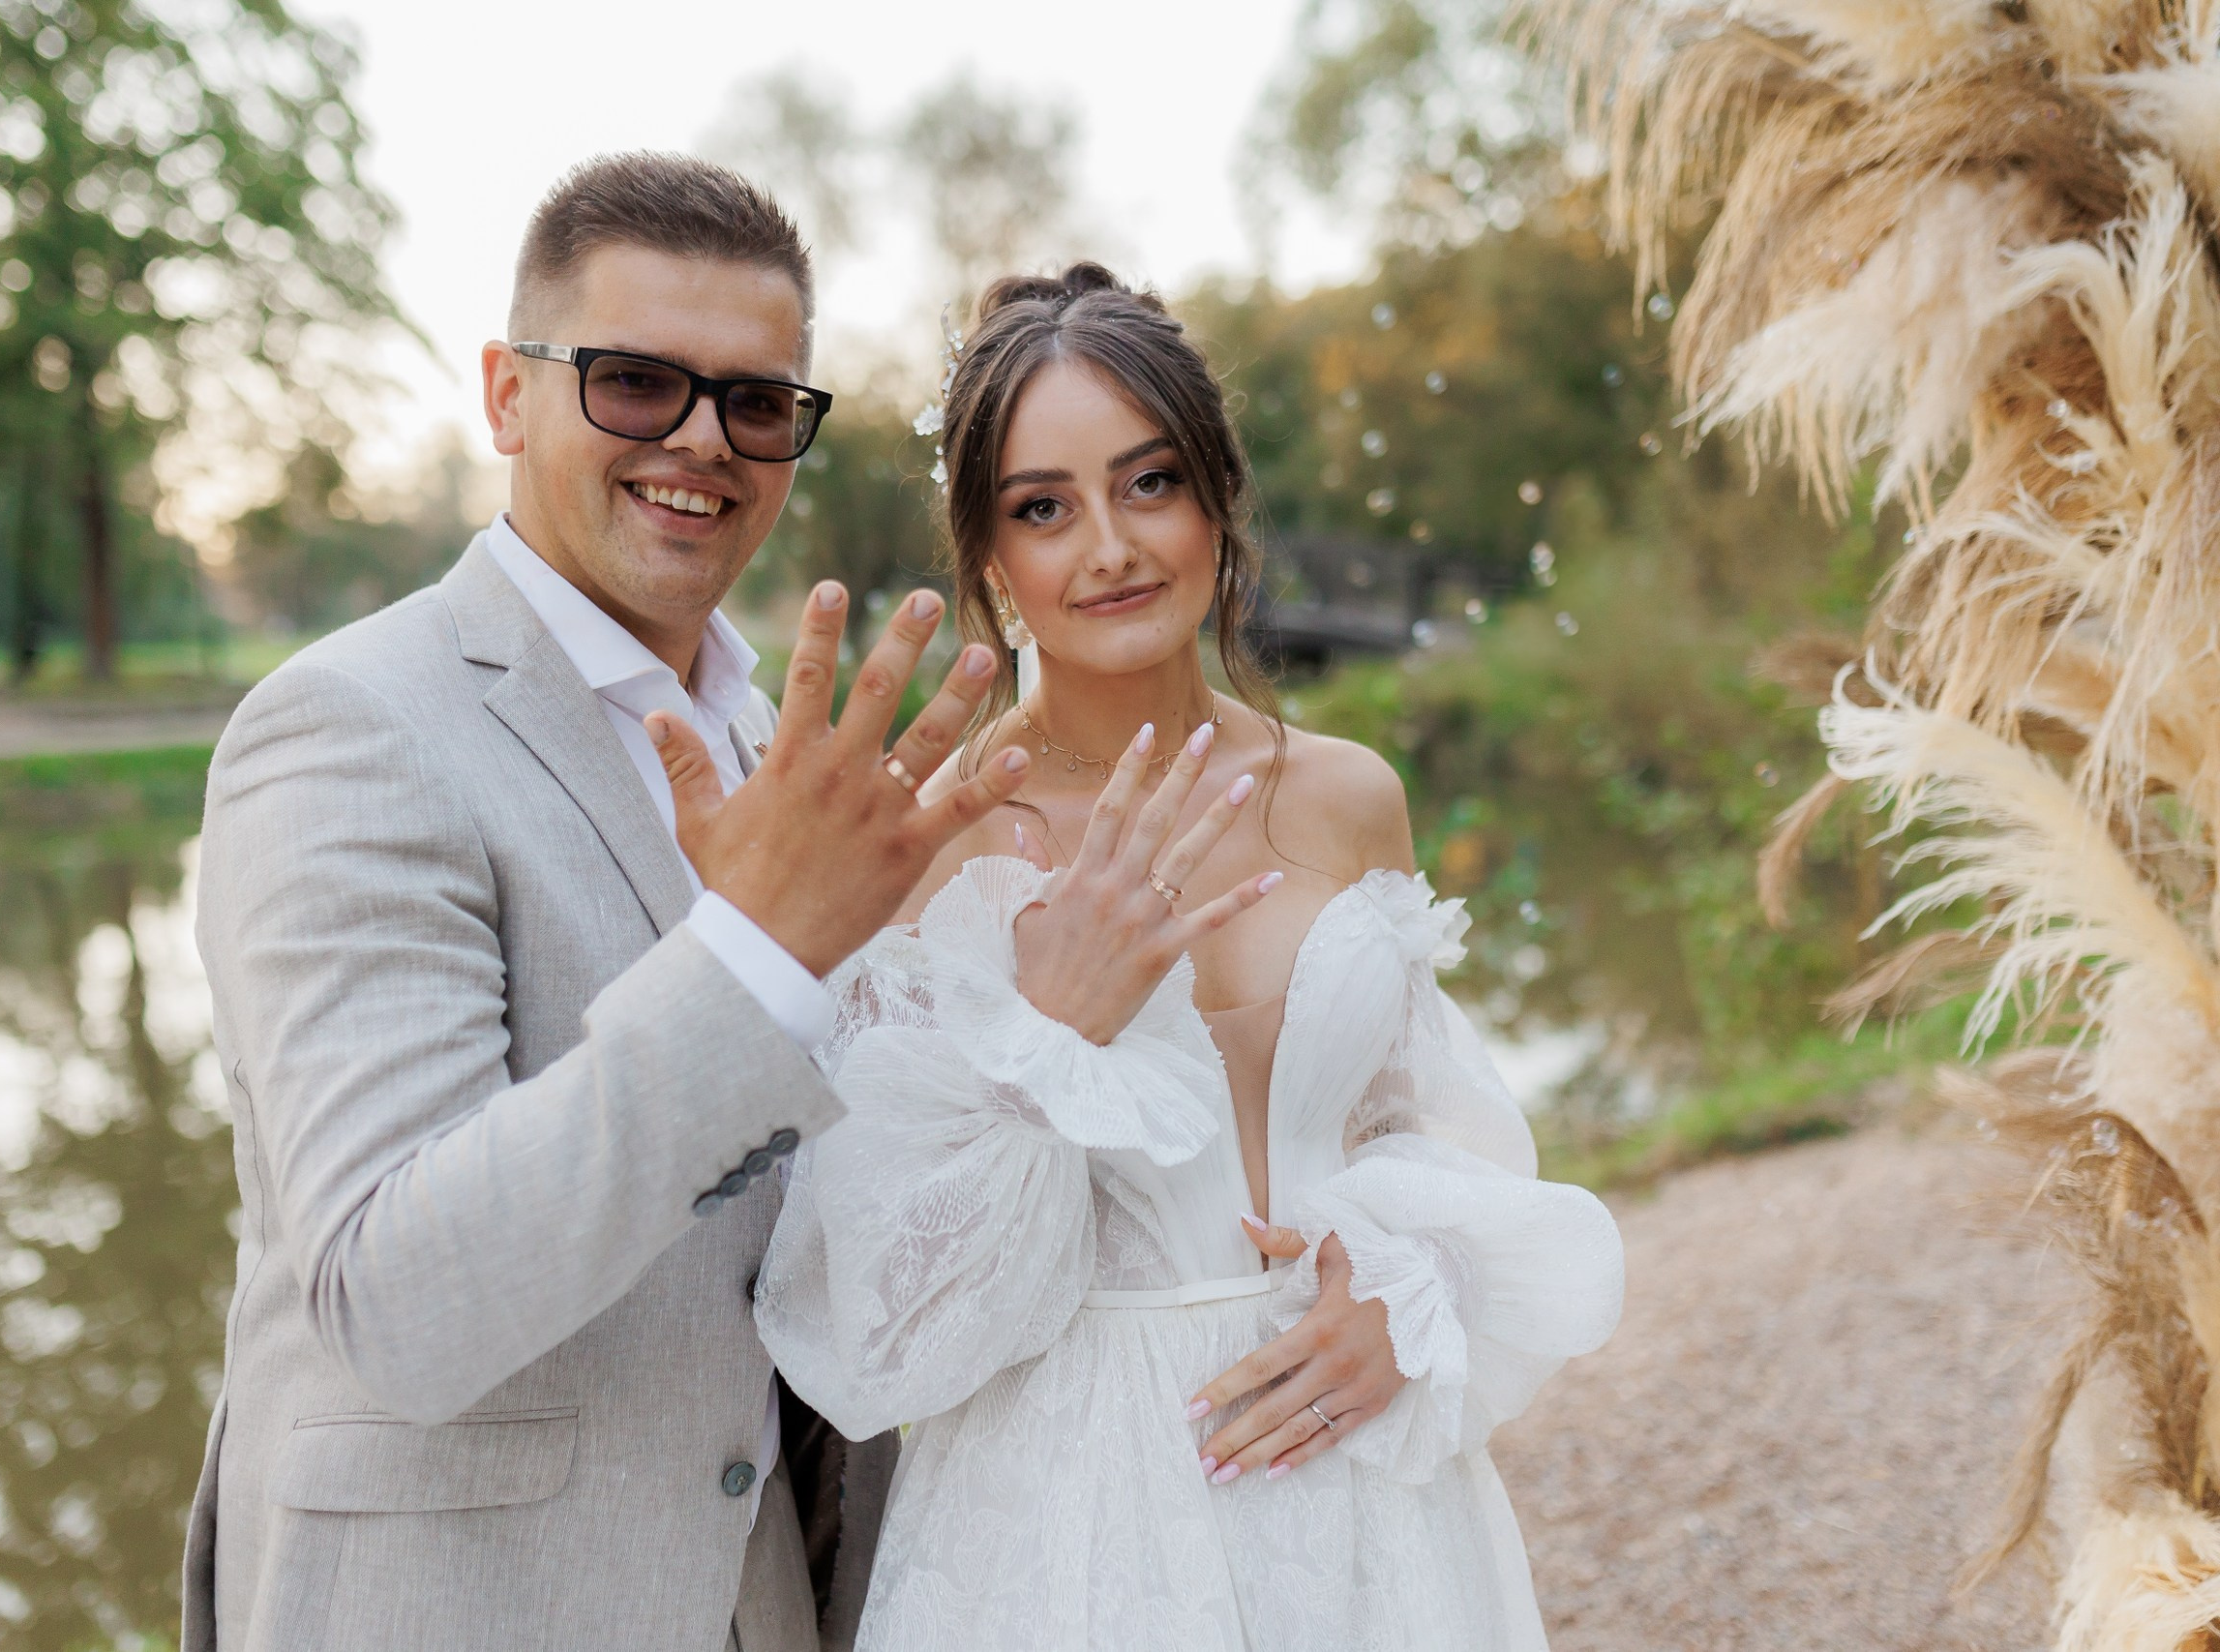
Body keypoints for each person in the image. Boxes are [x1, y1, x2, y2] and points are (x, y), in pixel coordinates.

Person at [180, 153, 1030, 1652]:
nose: (701, 440)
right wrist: (758, 955)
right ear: (509, 396)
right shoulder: (348, 728)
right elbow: (402, 1298)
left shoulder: (787, 760)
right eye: (636, 381)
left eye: (756, 402)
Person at [748, 263, 1627, 1651]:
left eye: (1148, 482)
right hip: (1072, 1524)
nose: (1109, 546)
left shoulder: (1350, 796)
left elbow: (1430, 1133)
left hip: (1367, 1502)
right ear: (988, 558)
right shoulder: (936, 849)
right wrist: (1050, 1031)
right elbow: (889, 1316)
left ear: (1217, 499)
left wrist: (1410, 1295)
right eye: (1045, 507)